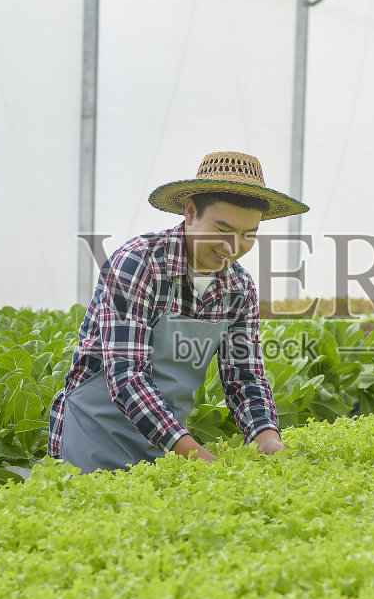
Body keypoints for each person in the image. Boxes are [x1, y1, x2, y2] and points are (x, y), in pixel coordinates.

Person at [48, 151, 308, 474]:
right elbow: (126, 375)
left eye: (248, 235)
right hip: (93, 440)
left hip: (165, 449)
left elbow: (245, 377)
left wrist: (266, 434)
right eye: (223, 228)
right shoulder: (138, 264)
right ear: (190, 212)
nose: (233, 246)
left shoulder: (239, 289)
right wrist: (191, 453)